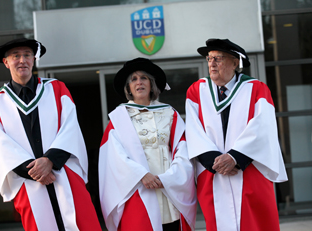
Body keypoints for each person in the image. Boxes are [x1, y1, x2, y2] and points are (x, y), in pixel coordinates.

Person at [0, 38, 101, 231]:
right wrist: (35, 171)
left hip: (63, 171)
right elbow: (0, 146)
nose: (22, 60)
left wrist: (50, 161)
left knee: (82, 223)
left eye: (27, 55)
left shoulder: (56, 88)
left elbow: (70, 127)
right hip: (28, 181)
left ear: (34, 59)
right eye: (16, 56)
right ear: (6, 62)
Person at [185, 38, 288, 231]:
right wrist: (216, 161)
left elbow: (263, 128)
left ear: (235, 62)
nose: (212, 64)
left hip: (249, 170)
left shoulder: (256, 89)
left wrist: (235, 157)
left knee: (255, 223)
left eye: (218, 58)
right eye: (209, 58)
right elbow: (193, 130)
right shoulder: (197, 91)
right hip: (214, 172)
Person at [99, 58, 196, 231]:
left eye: (144, 78)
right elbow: (114, 157)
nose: (139, 82)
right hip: (137, 189)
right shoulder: (119, 118)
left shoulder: (169, 113)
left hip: (168, 188)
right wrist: (142, 175)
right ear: (128, 87)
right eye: (134, 79)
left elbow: (183, 149)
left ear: (152, 84)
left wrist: (168, 177)